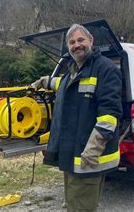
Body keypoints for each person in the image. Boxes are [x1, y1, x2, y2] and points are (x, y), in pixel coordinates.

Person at [32, 24, 122, 211]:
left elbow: (110, 114)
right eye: (72, 42)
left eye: (81, 40)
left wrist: (93, 149)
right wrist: (47, 81)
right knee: (76, 203)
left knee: (80, 207)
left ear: (91, 41)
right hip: (73, 154)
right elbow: (67, 86)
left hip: (86, 155)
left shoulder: (105, 69)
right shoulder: (75, 69)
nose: (76, 45)